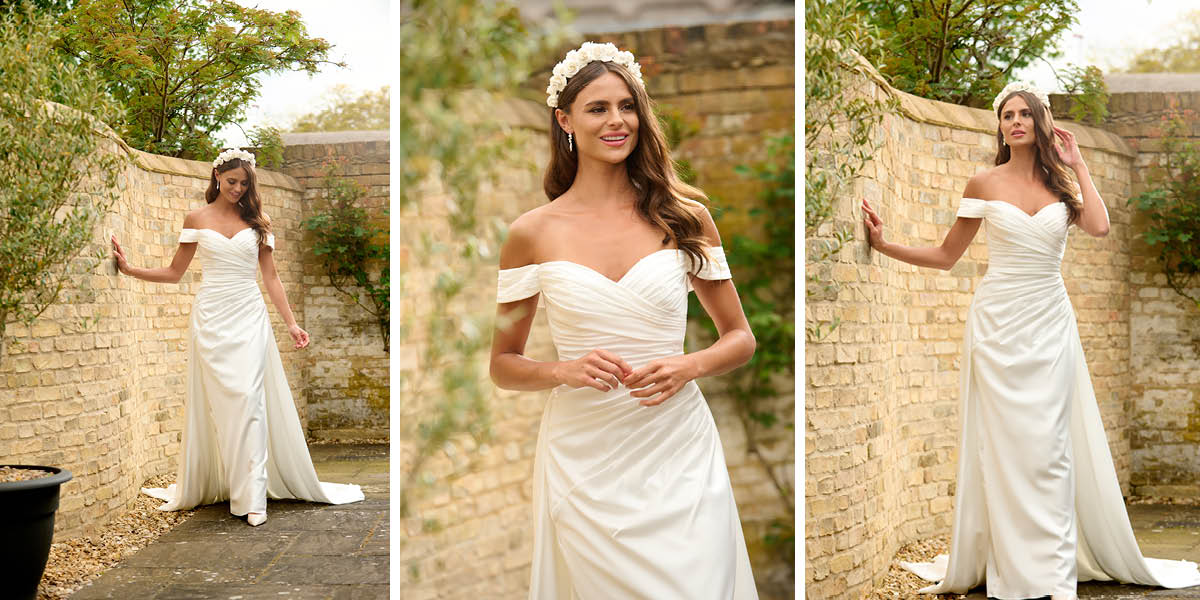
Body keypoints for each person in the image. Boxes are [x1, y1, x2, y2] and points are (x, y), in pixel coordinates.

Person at [862, 82, 1200, 599]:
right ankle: (1012, 565)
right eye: (1006, 115)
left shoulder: (1063, 180)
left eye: (1024, 113)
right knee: (1004, 448)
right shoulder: (983, 182)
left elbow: (1100, 227)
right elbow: (947, 255)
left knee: (1050, 448)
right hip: (997, 323)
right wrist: (885, 245)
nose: (1014, 121)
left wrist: (1079, 163)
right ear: (999, 126)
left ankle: (1051, 569)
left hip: (1049, 321)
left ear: (1041, 121)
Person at [489, 42, 760, 598]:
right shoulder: (531, 233)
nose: (617, 121)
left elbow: (740, 338)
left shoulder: (686, 216)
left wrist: (690, 365)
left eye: (627, 106)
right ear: (564, 120)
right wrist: (561, 371)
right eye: (597, 108)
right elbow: (503, 365)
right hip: (586, 458)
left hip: (677, 447)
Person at [112, 148, 363, 527]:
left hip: (249, 315)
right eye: (232, 182)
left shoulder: (258, 220)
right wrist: (130, 270)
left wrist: (292, 324)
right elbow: (174, 272)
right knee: (226, 407)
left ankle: (253, 497)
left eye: (244, 183)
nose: (238, 189)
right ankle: (231, 481)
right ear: (217, 177)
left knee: (249, 401)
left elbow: (272, 278)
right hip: (211, 318)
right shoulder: (196, 218)